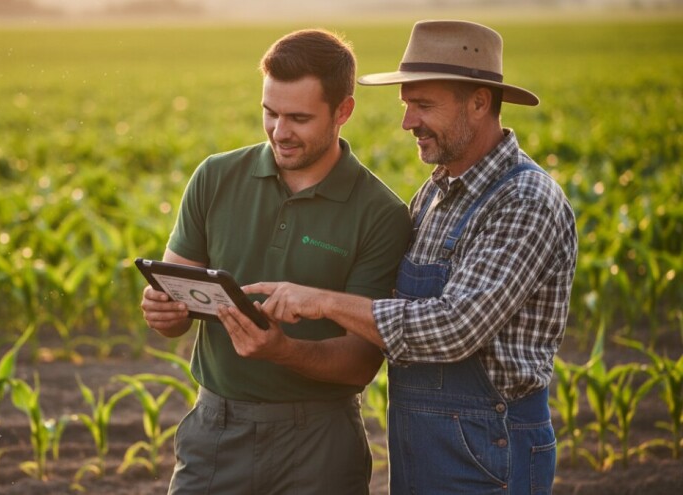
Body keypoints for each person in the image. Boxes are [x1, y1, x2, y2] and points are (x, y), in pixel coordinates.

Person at [227, 20, 578, 493]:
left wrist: (324, 302)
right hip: (422, 442)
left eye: (424, 105)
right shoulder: (434, 195)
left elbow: (455, 327)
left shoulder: (524, 200)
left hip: (490, 447)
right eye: (407, 104)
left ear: (478, 102)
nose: (408, 121)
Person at [140, 29, 411, 494]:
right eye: (270, 112)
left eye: (299, 118)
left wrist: (284, 351)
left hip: (320, 443)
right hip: (216, 430)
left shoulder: (381, 214)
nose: (279, 132)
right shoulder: (215, 177)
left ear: (343, 111)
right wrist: (163, 313)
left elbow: (362, 362)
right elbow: (174, 306)